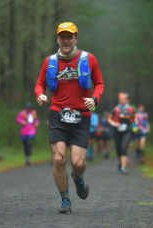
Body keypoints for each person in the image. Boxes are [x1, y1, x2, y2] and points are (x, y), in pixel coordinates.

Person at [35, 22, 104, 214]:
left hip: (81, 116)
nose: (66, 40)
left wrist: (94, 99)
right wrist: (40, 95)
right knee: (58, 160)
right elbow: (40, 84)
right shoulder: (50, 61)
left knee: (78, 163)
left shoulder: (89, 59)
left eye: (70, 37)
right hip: (58, 114)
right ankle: (65, 200)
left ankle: (78, 178)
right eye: (62, 37)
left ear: (76, 39)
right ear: (57, 39)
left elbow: (99, 83)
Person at [107, 92, 137, 175]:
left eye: (124, 99)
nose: (123, 101)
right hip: (117, 131)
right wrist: (114, 123)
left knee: (124, 147)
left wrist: (136, 126)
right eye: (121, 99)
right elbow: (109, 119)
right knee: (118, 149)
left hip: (127, 130)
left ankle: (123, 167)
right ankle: (121, 162)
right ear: (119, 100)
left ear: (127, 100)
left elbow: (135, 118)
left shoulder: (131, 109)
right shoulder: (115, 109)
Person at [16, 101, 40, 166]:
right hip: (24, 132)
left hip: (32, 130)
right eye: (27, 108)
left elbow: (37, 120)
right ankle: (27, 157)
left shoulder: (34, 113)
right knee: (25, 145)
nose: (29, 109)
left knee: (29, 144)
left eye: (29, 107)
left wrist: (37, 123)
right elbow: (18, 119)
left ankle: (28, 158)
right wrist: (22, 121)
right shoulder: (22, 113)